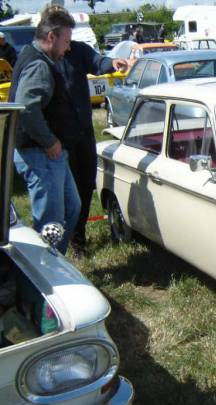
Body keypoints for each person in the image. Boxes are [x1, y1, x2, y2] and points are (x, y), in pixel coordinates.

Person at [9, 6, 81, 255]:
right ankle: (47, 272)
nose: (68, 48)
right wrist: (49, 141)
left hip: (49, 154)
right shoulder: (39, 65)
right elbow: (27, 107)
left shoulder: (34, 57)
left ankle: (55, 260)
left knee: (72, 207)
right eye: (66, 41)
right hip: (41, 153)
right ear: (51, 37)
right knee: (51, 223)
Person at [57, 39, 127, 256]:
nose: (67, 44)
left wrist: (112, 63)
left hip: (83, 131)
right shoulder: (43, 57)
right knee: (63, 188)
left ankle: (78, 238)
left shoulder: (78, 49)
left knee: (86, 184)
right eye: (63, 36)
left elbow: (97, 61)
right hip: (58, 135)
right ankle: (61, 238)